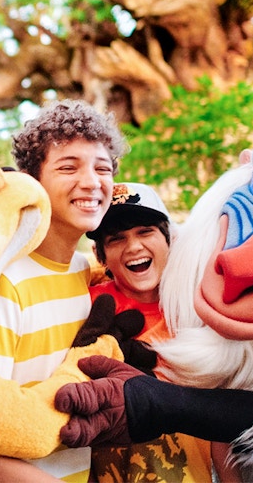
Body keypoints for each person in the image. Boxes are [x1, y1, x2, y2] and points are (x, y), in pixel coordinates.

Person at [0, 99, 127, 482]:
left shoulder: (89, 276)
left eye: (103, 169)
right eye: (68, 167)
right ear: (32, 183)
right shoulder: (4, 284)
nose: (91, 182)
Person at [85, 182, 216, 483]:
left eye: (145, 231)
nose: (133, 247)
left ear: (170, 238)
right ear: (100, 255)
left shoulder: (202, 306)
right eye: (116, 239)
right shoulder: (84, 305)